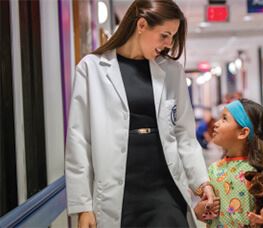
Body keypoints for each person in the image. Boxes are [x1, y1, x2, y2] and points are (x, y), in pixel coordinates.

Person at [65, 0, 216, 227]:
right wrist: (83, 207)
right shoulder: (92, 68)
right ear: (142, 25)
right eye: (164, 35)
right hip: (119, 194)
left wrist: (202, 183)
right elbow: (79, 141)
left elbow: (184, 135)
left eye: (173, 37)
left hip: (165, 188)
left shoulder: (172, 71)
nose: (169, 44)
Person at [194, 99, 263, 227]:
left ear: (243, 132)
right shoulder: (213, 170)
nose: (216, 124)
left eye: (224, 119)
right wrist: (199, 211)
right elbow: (205, 211)